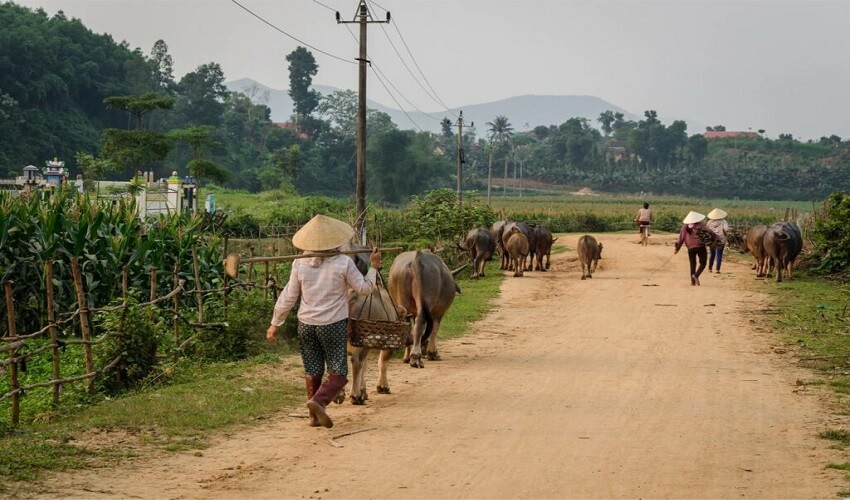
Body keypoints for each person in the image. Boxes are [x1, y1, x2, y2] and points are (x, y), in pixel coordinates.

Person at [266, 214, 382, 429]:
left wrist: (275, 323)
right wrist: (374, 266)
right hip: (333, 324)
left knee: (313, 369)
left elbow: (289, 295)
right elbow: (365, 289)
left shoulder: (299, 264)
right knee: (339, 372)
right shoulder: (343, 262)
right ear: (335, 241)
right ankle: (319, 402)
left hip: (306, 325)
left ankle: (314, 417)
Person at [674, 211, 708, 286]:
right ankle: (696, 275)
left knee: (692, 264)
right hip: (701, 247)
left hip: (690, 248)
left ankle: (692, 282)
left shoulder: (684, 227)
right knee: (703, 263)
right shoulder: (701, 225)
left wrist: (677, 249)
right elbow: (709, 233)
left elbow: (681, 239)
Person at [706, 208, 731, 273]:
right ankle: (717, 269)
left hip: (712, 240)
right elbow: (726, 230)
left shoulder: (710, 222)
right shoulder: (724, 222)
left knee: (712, 254)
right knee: (719, 254)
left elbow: (707, 230)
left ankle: (710, 268)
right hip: (721, 240)